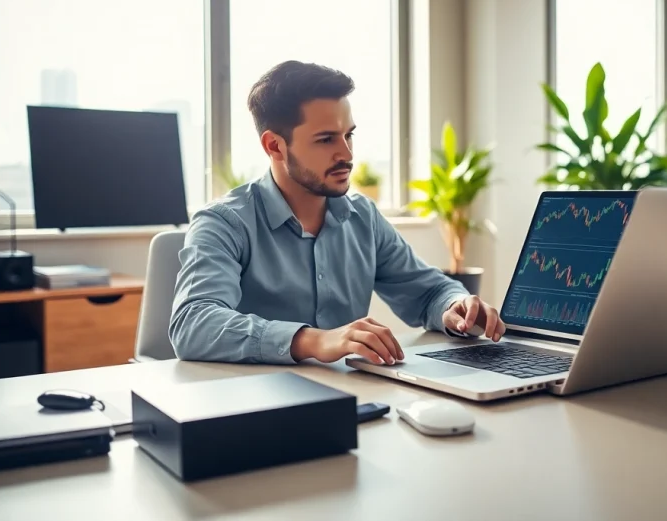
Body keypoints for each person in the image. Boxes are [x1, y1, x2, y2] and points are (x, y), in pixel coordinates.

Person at [169, 60, 506, 366]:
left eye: (349, 135)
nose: (346, 154)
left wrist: (454, 306)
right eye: (326, 139)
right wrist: (312, 340)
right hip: (253, 408)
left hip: (352, 398)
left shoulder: (363, 217)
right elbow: (193, 322)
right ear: (274, 145)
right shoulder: (223, 223)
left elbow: (428, 292)